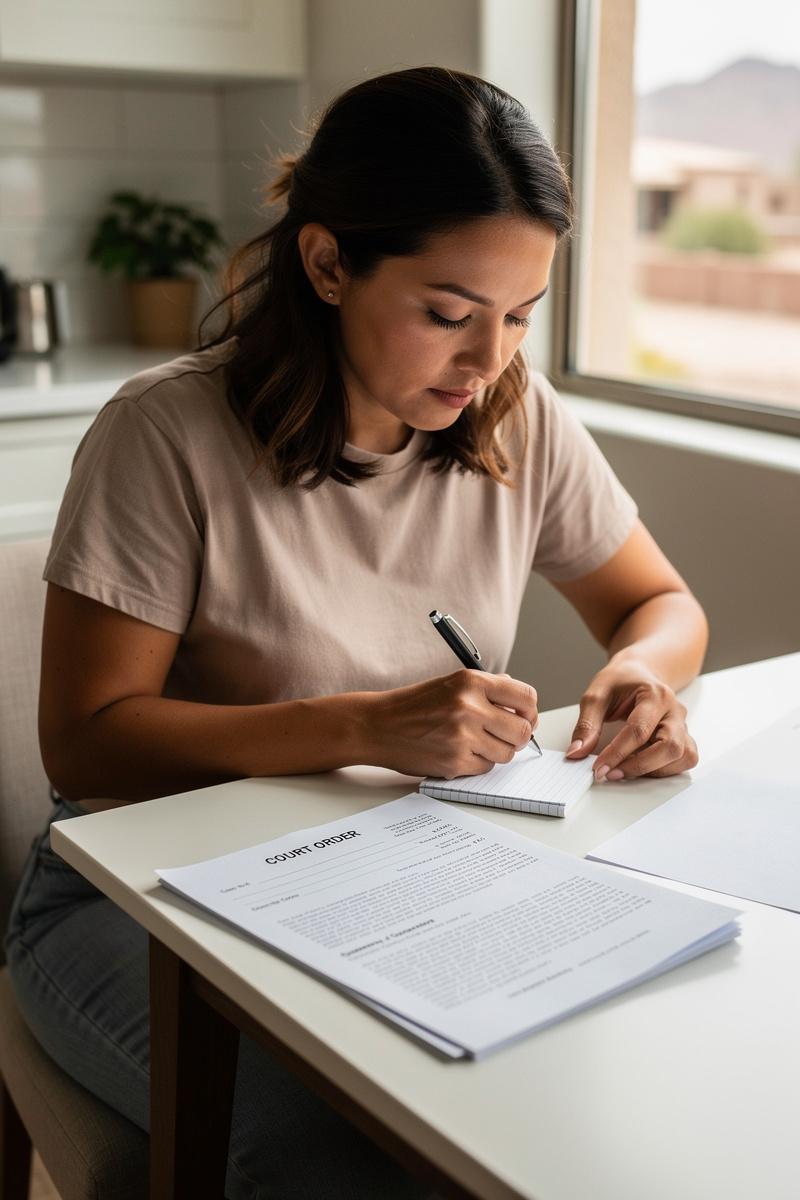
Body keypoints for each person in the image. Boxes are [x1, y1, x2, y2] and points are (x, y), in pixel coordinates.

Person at [5, 66, 706, 1198]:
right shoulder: (164, 434)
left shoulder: (514, 413)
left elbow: (660, 605)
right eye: (446, 314)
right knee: (342, 1159)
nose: (487, 362)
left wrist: (636, 675)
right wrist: (367, 724)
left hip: (391, 883)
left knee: (573, 1092)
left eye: (518, 318)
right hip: (137, 898)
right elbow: (86, 745)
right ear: (327, 263)